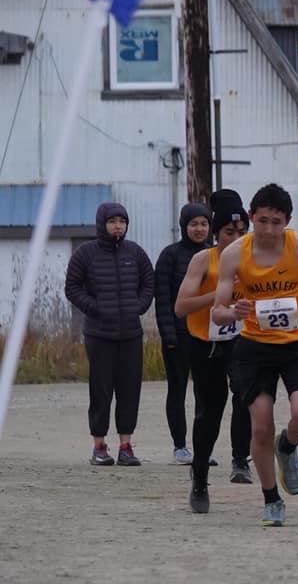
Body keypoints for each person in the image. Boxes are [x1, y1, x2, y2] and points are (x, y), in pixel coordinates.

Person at [210, 183, 298, 526]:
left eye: (277, 222)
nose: (270, 230)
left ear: (288, 221)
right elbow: (217, 310)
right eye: (263, 221)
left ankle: (287, 446)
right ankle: (271, 499)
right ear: (250, 218)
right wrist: (233, 312)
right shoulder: (234, 254)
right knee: (260, 426)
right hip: (255, 347)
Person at [173, 190, 252, 509]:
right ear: (216, 233)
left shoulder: (253, 258)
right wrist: (218, 297)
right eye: (228, 232)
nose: (235, 238)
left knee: (246, 395)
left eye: (240, 232)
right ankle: (200, 477)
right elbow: (181, 307)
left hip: (240, 339)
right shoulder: (203, 259)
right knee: (210, 411)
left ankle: (240, 459)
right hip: (204, 342)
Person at [65, 201, 155, 466]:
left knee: (129, 390)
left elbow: (148, 282)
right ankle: (99, 446)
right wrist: (96, 308)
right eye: (113, 221)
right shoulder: (85, 253)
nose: (119, 226)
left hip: (130, 334)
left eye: (123, 221)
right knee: (101, 390)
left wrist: (138, 306)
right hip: (99, 335)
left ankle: (126, 445)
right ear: (102, 223)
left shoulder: (135, 253)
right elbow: (72, 288)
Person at [152, 202, 210, 463]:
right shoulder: (170, 255)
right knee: (177, 391)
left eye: (204, 224)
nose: (199, 229)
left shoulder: (215, 255)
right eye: (194, 224)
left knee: (206, 392)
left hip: (207, 336)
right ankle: (180, 446)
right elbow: (163, 299)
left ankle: (202, 448)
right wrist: (169, 335)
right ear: (184, 226)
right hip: (178, 335)